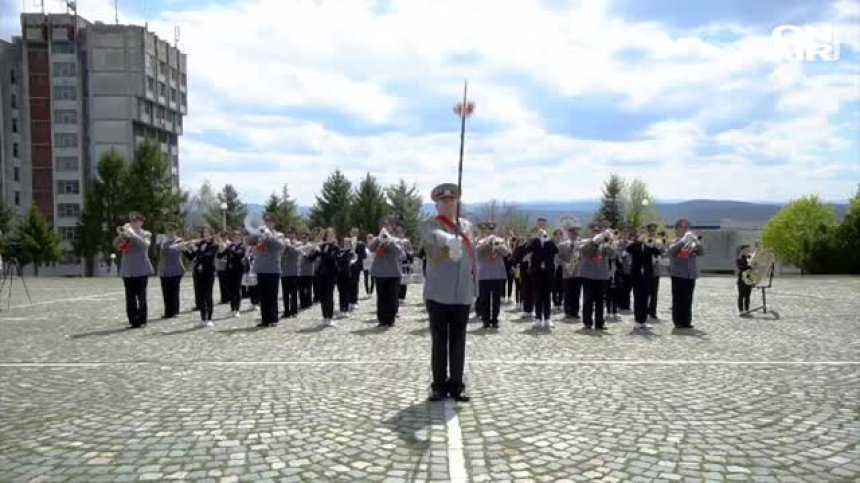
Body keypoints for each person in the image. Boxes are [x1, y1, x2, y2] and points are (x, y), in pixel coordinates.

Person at [420, 183, 475, 402]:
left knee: (459, 341)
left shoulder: (467, 226)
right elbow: (432, 236)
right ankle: (439, 385)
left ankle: (457, 385)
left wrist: (475, 289)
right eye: (443, 201)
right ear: (437, 205)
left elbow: (473, 260)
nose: (448, 204)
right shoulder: (429, 224)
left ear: (457, 202)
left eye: (452, 201)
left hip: (462, 292)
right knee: (440, 341)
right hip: (438, 292)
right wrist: (447, 239)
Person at [113, 212, 154, 328]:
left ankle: (142, 320)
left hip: (141, 270)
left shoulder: (146, 234)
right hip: (128, 270)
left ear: (141, 222)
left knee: (141, 297)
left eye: (136, 221)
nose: (133, 223)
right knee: (130, 298)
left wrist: (133, 235)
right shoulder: (126, 235)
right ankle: (133, 321)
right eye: (132, 221)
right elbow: (116, 245)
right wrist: (121, 235)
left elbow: (145, 245)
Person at [668, 219, 705, 329]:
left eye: (686, 227)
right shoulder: (674, 241)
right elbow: (671, 251)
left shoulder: (692, 242)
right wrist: (683, 240)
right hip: (678, 274)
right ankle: (678, 322)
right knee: (678, 299)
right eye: (682, 227)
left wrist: (696, 241)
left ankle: (686, 321)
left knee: (688, 299)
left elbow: (702, 252)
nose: (684, 229)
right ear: (676, 229)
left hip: (690, 274)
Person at [252, 213, 286, 327]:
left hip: (273, 268)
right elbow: (254, 248)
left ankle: (273, 318)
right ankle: (265, 319)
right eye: (266, 222)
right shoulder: (259, 235)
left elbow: (280, 246)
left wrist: (269, 236)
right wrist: (258, 240)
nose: (267, 224)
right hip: (261, 268)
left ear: (274, 223)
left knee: (272, 295)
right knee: (263, 296)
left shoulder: (279, 235)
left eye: (270, 222)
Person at [182, 226, 220, 326]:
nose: (206, 235)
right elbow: (192, 257)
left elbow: (207, 257)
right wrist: (184, 249)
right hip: (198, 273)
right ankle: (203, 318)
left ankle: (209, 318)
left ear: (211, 234)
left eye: (208, 233)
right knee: (201, 296)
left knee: (208, 296)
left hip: (208, 273)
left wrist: (195, 249)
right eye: (204, 233)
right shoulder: (200, 244)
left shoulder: (214, 245)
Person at [369, 221, 404, 327]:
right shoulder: (377, 239)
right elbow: (370, 249)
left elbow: (400, 253)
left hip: (393, 273)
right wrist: (378, 240)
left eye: (387, 226)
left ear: (391, 228)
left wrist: (390, 241)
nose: (385, 228)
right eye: (383, 226)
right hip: (380, 273)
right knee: (381, 297)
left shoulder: (396, 240)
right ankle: (382, 320)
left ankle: (391, 319)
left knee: (392, 297)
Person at [626, 229, 663, 329]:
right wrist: (638, 241)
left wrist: (651, 245)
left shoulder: (648, 245)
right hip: (637, 275)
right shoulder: (634, 245)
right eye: (641, 234)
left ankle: (643, 320)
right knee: (638, 298)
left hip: (647, 275)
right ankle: (637, 320)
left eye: (644, 234)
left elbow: (658, 252)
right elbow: (628, 249)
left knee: (645, 298)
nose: (643, 235)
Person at [476, 221, 509, 328]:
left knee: (496, 300)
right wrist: (486, 243)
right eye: (489, 229)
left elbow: (507, 253)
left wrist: (498, 246)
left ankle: (495, 320)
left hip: (497, 274)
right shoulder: (480, 241)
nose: (491, 231)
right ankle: (485, 320)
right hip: (484, 274)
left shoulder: (501, 241)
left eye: (492, 229)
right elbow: (476, 253)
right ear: (485, 231)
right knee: (484, 299)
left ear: (495, 230)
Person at [156, 222, 183, 319]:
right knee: (166, 292)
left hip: (175, 269)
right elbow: (158, 251)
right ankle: (168, 312)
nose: (170, 232)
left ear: (176, 231)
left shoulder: (179, 240)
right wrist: (161, 241)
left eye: (172, 230)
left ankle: (175, 311)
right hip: (164, 269)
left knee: (174, 291)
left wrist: (165, 242)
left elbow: (171, 250)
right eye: (168, 230)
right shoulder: (162, 240)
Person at [736, 245, 753, 316]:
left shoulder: (751, 258)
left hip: (749, 279)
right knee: (741, 295)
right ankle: (741, 310)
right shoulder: (739, 259)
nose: (748, 252)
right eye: (746, 250)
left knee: (748, 296)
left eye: (748, 250)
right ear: (742, 251)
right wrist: (750, 266)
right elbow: (741, 268)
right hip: (742, 280)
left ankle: (747, 309)